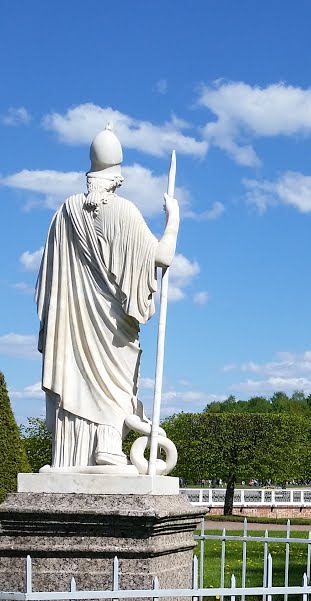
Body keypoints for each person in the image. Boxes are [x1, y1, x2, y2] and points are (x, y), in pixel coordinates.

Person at [35, 124, 179, 471]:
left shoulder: (65, 213)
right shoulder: (124, 212)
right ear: (118, 174)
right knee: (116, 384)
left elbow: (50, 278)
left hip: (73, 324)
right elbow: (161, 257)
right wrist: (174, 220)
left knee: (79, 380)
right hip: (113, 327)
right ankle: (108, 448)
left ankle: (69, 457)